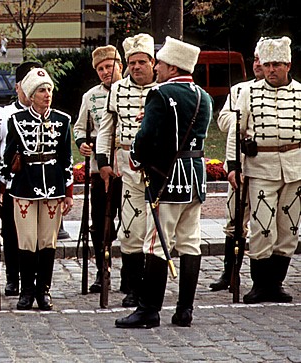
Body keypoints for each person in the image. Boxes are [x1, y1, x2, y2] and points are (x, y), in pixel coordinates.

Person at [116, 37, 212, 329]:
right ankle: (185, 310)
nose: (156, 67)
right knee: (190, 242)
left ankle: (149, 310)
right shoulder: (203, 96)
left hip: (167, 178)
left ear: (172, 66)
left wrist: (135, 157)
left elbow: (146, 139)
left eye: (159, 63)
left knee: (156, 243)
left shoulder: (159, 94)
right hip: (194, 176)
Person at [225, 36, 301, 304]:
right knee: (262, 227)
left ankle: (275, 284)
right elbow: (236, 130)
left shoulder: (300, 93)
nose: (271, 70)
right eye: (267, 64)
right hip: (260, 168)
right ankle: (259, 285)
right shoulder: (249, 93)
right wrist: (233, 165)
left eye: (277, 64)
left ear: (288, 65)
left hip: (295, 168)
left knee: (289, 229)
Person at [2, 67, 74, 311]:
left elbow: (66, 157)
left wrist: (69, 191)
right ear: (31, 95)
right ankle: (26, 291)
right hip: (24, 187)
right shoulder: (16, 121)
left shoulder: (62, 120)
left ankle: (44, 290)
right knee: (27, 240)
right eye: (42, 90)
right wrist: (2, 186)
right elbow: (7, 155)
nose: (47, 94)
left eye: (49, 90)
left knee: (47, 241)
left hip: (53, 187)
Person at [96, 33, 157, 307]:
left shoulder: (163, 88)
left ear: (152, 62)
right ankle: (132, 287)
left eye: (141, 62)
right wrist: (103, 163)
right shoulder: (117, 90)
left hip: (159, 170)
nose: (136, 67)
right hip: (128, 168)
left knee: (154, 231)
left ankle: (151, 287)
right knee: (131, 230)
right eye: (131, 62)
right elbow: (107, 129)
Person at [0, 61, 40, 297]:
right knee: (11, 235)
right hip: (11, 185)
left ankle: (35, 279)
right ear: (17, 87)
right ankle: (13, 278)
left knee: (37, 237)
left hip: (38, 185)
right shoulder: (2, 115)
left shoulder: (47, 116)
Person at [209, 40, 265, 292]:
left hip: (267, 166)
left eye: (262, 60)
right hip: (240, 164)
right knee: (235, 220)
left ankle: (264, 277)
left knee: (264, 222)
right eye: (255, 60)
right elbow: (223, 120)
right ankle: (229, 272)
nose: (258, 65)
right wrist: (242, 119)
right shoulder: (239, 90)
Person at [73, 46, 123, 293]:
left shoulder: (132, 92)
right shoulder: (89, 97)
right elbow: (80, 127)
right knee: (101, 221)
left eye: (109, 66)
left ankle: (133, 272)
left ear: (120, 66)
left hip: (128, 166)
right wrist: (81, 143)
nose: (105, 72)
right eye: (100, 68)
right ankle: (103, 270)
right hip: (98, 169)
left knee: (132, 222)